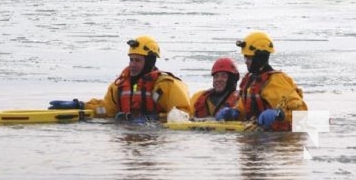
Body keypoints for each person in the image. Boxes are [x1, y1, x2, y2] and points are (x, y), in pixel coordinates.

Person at [49, 35, 191, 121]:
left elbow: (183, 115)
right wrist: (81, 105)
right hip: (126, 132)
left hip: (154, 135)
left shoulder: (167, 85)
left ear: (149, 62)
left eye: (137, 60)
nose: (132, 65)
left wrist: (153, 120)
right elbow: (106, 110)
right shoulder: (119, 85)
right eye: (131, 60)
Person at [216, 31, 308, 130]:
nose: (246, 61)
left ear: (260, 57)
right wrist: (235, 112)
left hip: (278, 141)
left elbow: (302, 113)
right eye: (245, 57)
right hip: (256, 139)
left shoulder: (276, 81)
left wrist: (279, 114)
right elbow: (247, 106)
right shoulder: (250, 79)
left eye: (249, 58)